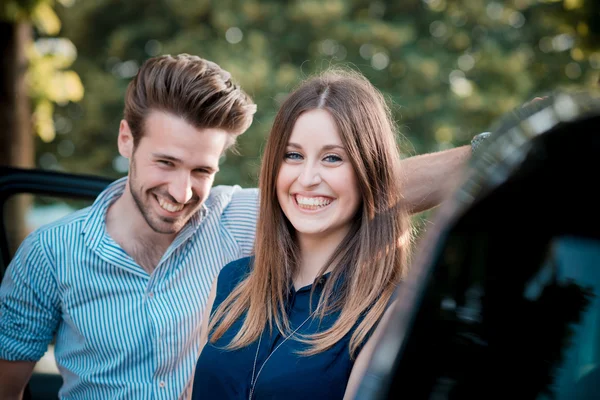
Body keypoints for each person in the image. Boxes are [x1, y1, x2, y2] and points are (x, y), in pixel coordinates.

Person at [0, 54, 476, 399]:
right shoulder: (49, 253)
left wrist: (491, 152)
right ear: (127, 139)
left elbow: (347, 193)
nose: (182, 192)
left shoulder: (243, 217)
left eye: (202, 171)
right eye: (165, 163)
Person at [190, 69, 412, 400]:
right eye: (293, 155)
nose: (307, 178)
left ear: (370, 172)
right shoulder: (230, 283)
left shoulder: (390, 310)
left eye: (333, 158)